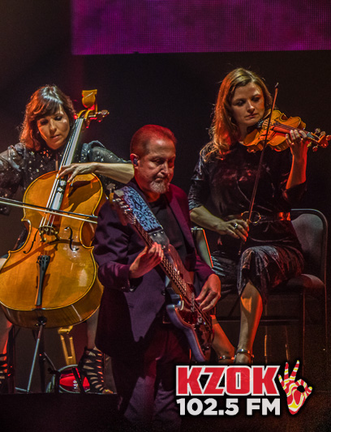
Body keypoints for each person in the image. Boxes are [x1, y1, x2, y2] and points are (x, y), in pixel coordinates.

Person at [0, 84, 134, 394]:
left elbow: (134, 172)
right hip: (35, 246)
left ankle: (92, 365)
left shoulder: (89, 153)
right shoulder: (25, 156)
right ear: (35, 126)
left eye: (58, 118)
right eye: (44, 122)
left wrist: (95, 167)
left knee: (102, 274)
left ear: (70, 117)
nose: (52, 128)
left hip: (76, 248)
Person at [92, 124, 221, 430]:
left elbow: (188, 255)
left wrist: (210, 276)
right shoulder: (117, 205)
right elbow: (105, 268)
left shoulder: (176, 197)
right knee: (136, 417)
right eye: (157, 162)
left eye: (171, 162)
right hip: (135, 331)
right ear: (135, 161)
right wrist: (133, 271)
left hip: (178, 329)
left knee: (170, 418)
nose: (166, 170)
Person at [188, 68, 315, 364]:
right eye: (241, 102)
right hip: (230, 251)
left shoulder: (279, 147)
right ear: (227, 109)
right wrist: (220, 224)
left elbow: (292, 198)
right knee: (187, 278)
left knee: (253, 257)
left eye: (256, 100)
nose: (251, 108)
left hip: (279, 246)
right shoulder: (213, 155)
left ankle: (244, 354)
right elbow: (192, 204)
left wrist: (299, 156)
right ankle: (224, 349)